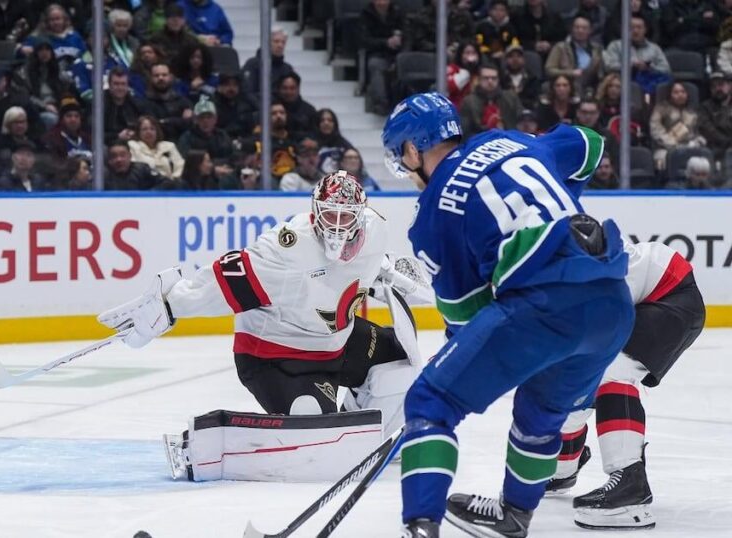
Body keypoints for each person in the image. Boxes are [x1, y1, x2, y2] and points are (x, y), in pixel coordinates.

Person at [382, 92, 634, 538]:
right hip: (613, 299)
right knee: (541, 412)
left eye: (402, 159)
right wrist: (561, 199)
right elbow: (591, 143)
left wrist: (465, 361)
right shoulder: (513, 140)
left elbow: (468, 317)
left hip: (544, 305)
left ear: (412, 149)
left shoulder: (432, 218)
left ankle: (420, 528)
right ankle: (513, 515)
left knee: (430, 402)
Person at [97, 170, 424, 450]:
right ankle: (240, 441)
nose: (337, 226)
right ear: (314, 212)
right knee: (313, 435)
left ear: (360, 215)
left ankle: (361, 434)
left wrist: (389, 273)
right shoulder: (289, 250)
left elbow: (368, 267)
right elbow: (223, 281)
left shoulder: (375, 231)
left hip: (338, 342)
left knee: (401, 361)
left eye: (345, 217)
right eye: (329, 215)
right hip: (277, 358)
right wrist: (169, 306)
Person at [546, 242, 704, 530]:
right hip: (643, 298)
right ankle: (562, 470)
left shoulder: (577, 275)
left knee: (611, 372)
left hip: (671, 298)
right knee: (570, 384)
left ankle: (630, 484)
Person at [128, 115, 185, 180]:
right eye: (144, 129)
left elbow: (180, 166)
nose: (148, 132)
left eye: (152, 129)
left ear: (157, 131)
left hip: (170, 184)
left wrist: (174, 179)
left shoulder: (169, 146)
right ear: (138, 132)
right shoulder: (133, 146)